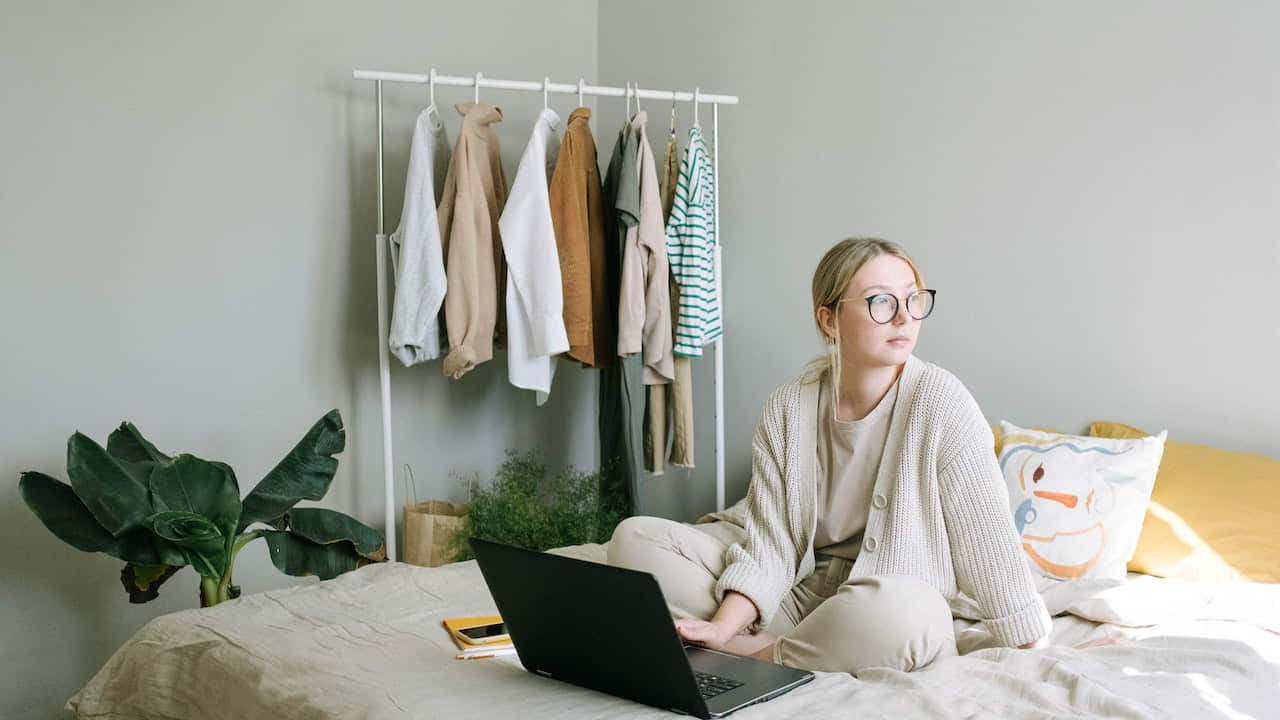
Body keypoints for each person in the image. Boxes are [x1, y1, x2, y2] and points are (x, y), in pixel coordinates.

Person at [607, 237, 1051, 675]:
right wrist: (722, 628)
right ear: (830, 319)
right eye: (881, 302)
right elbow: (772, 543)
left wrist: (1032, 640)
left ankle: (765, 655)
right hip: (797, 595)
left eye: (914, 299)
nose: (904, 317)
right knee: (635, 539)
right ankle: (773, 644)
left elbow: (986, 539)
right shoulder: (788, 407)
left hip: (883, 602)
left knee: (908, 615)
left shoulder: (941, 401)